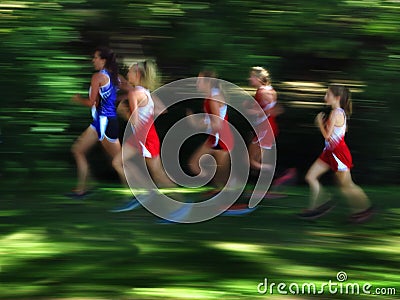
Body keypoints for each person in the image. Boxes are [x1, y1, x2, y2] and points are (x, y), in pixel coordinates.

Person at [299, 84, 373, 223]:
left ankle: (364, 209)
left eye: (328, 94)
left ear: (337, 97)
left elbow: (327, 136)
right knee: (310, 177)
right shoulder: (340, 113)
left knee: (347, 186)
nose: (325, 97)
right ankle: (319, 204)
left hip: (338, 154)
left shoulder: (336, 113)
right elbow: (341, 132)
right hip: (329, 153)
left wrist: (319, 123)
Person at [111, 60, 176, 212]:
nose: (128, 74)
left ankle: (180, 205)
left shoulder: (135, 93)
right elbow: (160, 110)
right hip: (141, 136)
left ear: (138, 74)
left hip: (146, 138)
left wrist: (122, 111)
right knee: (117, 162)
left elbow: (133, 120)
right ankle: (143, 193)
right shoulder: (144, 91)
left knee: (159, 175)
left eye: (130, 72)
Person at [68, 46, 128, 198]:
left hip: (104, 122)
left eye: (95, 57)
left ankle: (138, 193)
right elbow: (131, 91)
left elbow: (91, 103)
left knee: (119, 162)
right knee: (78, 150)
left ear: (103, 60)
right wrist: (118, 100)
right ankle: (83, 188)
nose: (93, 60)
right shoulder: (116, 77)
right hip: (102, 122)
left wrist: (77, 99)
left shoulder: (98, 77)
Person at [244, 66, 296, 190]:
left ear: (258, 78)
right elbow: (274, 109)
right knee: (257, 160)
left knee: (251, 161)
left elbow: (265, 111)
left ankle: (282, 174)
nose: (249, 79)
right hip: (268, 128)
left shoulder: (262, 91)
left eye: (252, 76)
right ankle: (269, 184)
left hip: (265, 130)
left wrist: (247, 107)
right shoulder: (270, 90)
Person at [187, 70, 234, 189]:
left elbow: (217, 125)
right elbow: (212, 120)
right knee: (195, 165)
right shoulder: (211, 96)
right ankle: (224, 190)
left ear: (208, 82)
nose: (197, 83)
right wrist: (198, 122)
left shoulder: (213, 98)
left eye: (199, 81)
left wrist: (196, 123)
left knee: (220, 179)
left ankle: (230, 194)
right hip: (214, 138)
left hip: (221, 140)